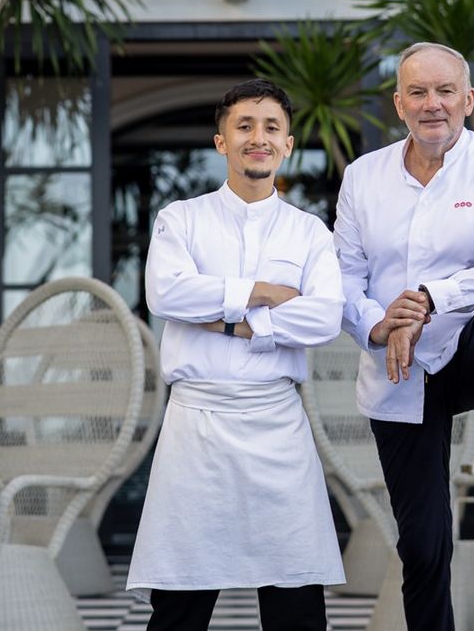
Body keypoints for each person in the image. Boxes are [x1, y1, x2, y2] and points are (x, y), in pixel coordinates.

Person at [333, 42, 474, 631]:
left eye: (445, 91)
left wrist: (430, 298)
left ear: (467, 99)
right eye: (418, 93)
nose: (433, 104)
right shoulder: (362, 177)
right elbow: (343, 278)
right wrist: (379, 323)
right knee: (424, 550)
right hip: (399, 369)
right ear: (398, 104)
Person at [126, 78, 346, 631]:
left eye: (271, 127)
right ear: (221, 142)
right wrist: (265, 293)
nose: (258, 138)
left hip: (278, 425)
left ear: (287, 144)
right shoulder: (181, 218)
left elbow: (323, 318)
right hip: (196, 426)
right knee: (179, 609)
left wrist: (227, 321)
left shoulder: (310, 233)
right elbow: (166, 295)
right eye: (244, 126)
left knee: (296, 607)